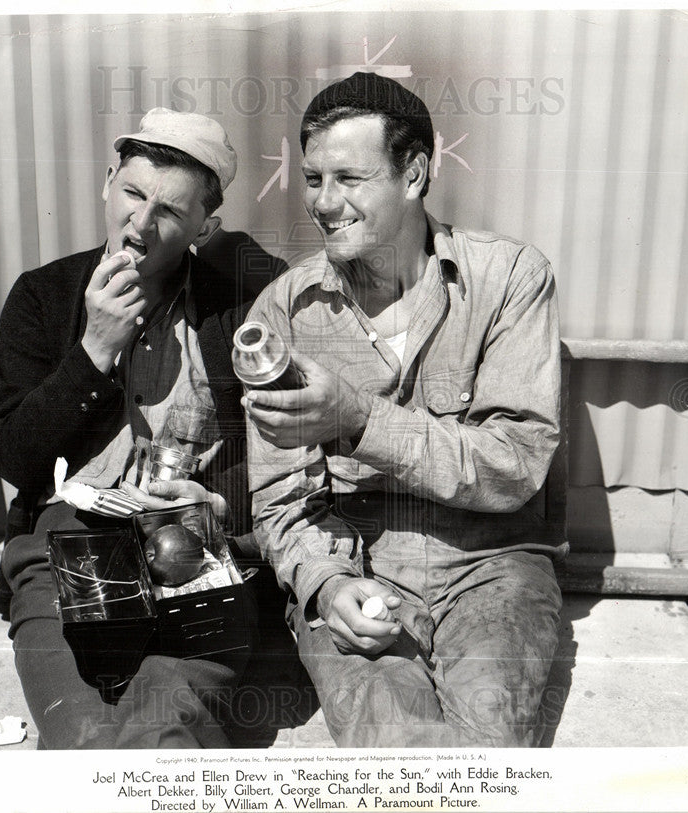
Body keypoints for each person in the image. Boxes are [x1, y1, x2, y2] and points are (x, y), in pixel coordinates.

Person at [242, 72, 567, 748]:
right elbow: (280, 504)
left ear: (414, 173)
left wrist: (359, 420)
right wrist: (328, 588)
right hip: (356, 565)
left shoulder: (509, 280)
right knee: (395, 748)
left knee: (487, 750)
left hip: (492, 565)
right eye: (313, 179)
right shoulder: (284, 310)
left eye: (349, 179)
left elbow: (516, 463)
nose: (324, 203)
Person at [0, 108, 255, 749]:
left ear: (203, 227)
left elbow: (277, 451)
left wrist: (217, 505)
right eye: (132, 193)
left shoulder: (233, 307)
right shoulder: (43, 296)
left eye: (171, 211)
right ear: (108, 181)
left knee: (167, 731)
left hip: (195, 540)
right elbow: (15, 460)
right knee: (82, 734)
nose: (141, 222)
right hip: (64, 546)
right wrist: (93, 350)